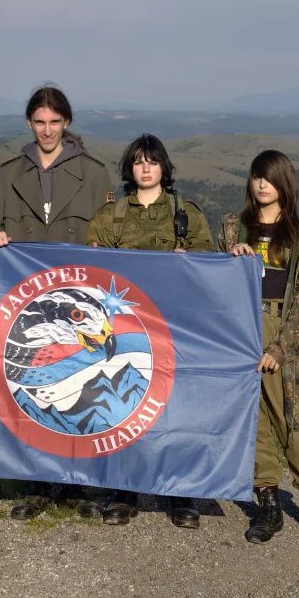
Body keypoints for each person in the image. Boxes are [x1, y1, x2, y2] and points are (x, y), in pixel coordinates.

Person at [0, 84, 112, 520]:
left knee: (84, 389)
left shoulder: (94, 174)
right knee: (33, 391)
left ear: (67, 123)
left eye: (55, 122)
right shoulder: (8, 172)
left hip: (79, 301)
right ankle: (37, 485)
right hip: (29, 303)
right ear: (29, 123)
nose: (48, 129)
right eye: (40, 122)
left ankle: (83, 486)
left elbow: (109, 235)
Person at [217, 149, 299, 552]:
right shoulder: (233, 229)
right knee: (254, 425)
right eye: (255, 175)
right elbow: (209, 281)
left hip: (283, 332)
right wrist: (227, 258)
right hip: (240, 331)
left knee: (295, 425)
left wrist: (280, 347)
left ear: (284, 182)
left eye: (269, 176)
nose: (261, 183)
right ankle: (268, 508)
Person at [87, 133, 213, 529]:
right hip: (127, 333)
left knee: (176, 411)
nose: (145, 168)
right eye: (138, 162)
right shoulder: (111, 216)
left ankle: (181, 494)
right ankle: (123, 491)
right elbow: (90, 267)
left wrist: (189, 260)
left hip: (175, 329)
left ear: (164, 168)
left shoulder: (185, 214)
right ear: (129, 168)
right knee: (124, 409)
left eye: (152, 162)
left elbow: (210, 264)